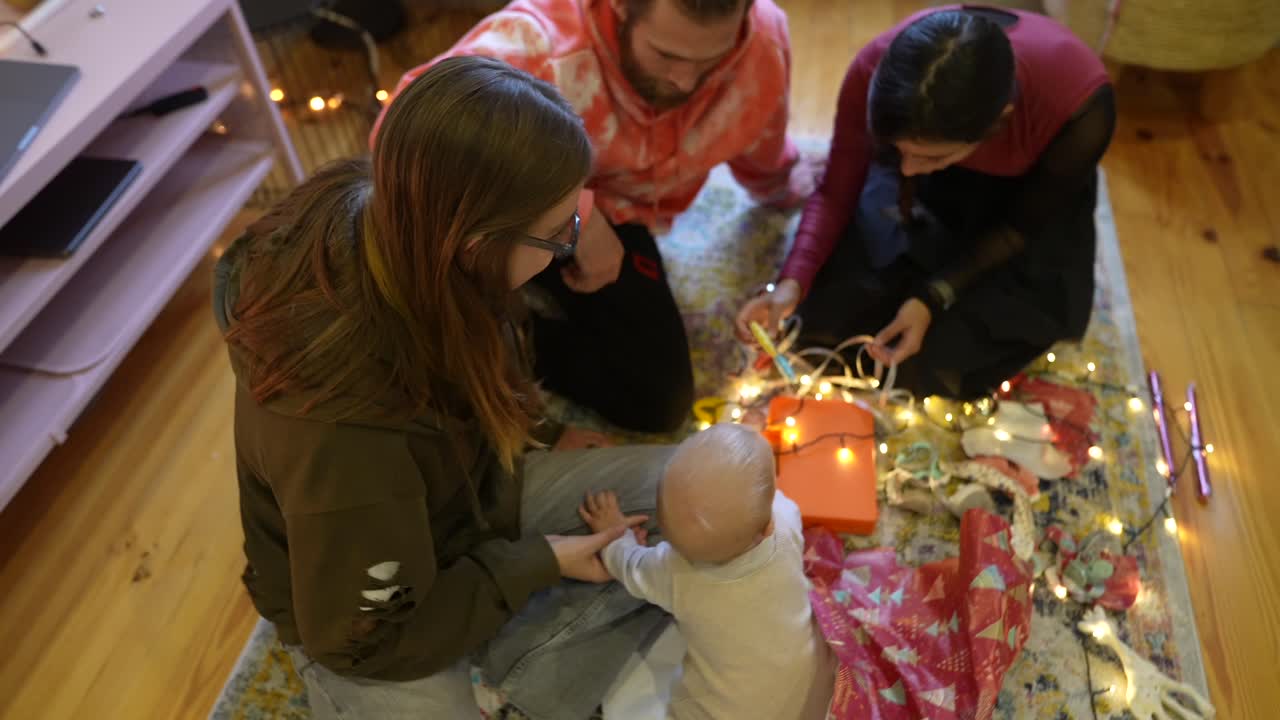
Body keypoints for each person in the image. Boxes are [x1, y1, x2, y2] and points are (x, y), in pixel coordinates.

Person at [214, 56, 677, 720]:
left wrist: (531, 431)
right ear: (473, 244)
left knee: (695, 491)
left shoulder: (398, 221)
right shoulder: (345, 438)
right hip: (369, 622)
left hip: (465, 502)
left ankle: (502, 671)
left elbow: (474, 369)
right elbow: (365, 636)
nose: (568, 246)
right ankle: (498, 676)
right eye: (555, 234)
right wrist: (536, 563)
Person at [378, 0, 823, 433]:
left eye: (713, 58)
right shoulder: (535, 44)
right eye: (666, 55)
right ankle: (488, 332)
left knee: (659, 401)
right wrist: (579, 216)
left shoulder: (763, 42)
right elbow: (400, 133)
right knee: (426, 347)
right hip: (512, 212)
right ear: (621, 7)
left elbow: (761, 145)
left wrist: (800, 189)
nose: (686, 81)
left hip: (621, 223)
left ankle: (515, 330)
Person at [737, 7, 1115, 399]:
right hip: (935, 185)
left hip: (1024, 204)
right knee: (828, 328)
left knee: (936, 362)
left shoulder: (1082, 111)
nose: (910, 168)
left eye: (930, 158)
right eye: (898, 151)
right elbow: (836, 191)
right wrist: (791, 283)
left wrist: (933, 297)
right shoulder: (873, 70)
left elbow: (1018, 228)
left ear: (999, 121)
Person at [579, 424, 835, 720]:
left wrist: (616, 536)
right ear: (766, 528)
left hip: (728, 713)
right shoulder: (785, 520)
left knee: (636, 690)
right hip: (808, 692)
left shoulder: (676, 575)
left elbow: (628, 566)